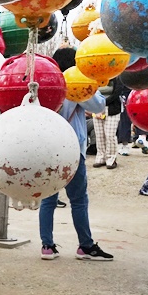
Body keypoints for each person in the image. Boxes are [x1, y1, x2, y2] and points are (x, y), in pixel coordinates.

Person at [38, 48, 113, 261]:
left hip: (47, 148)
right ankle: (85, 246)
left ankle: (47, 246)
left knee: (48, 199)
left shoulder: (46, 83)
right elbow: (98, 105)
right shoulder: (77, 81)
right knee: (79, 199)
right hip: (72, 148)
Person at [95, 77, 127, 169]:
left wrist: (102, 103)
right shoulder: (95, 76)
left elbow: (117, 93)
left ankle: (111, 158)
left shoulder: (117, 78)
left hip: (112, 108)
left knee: (110, 135)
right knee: (99, 134)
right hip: (97, 109)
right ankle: (101, 157)